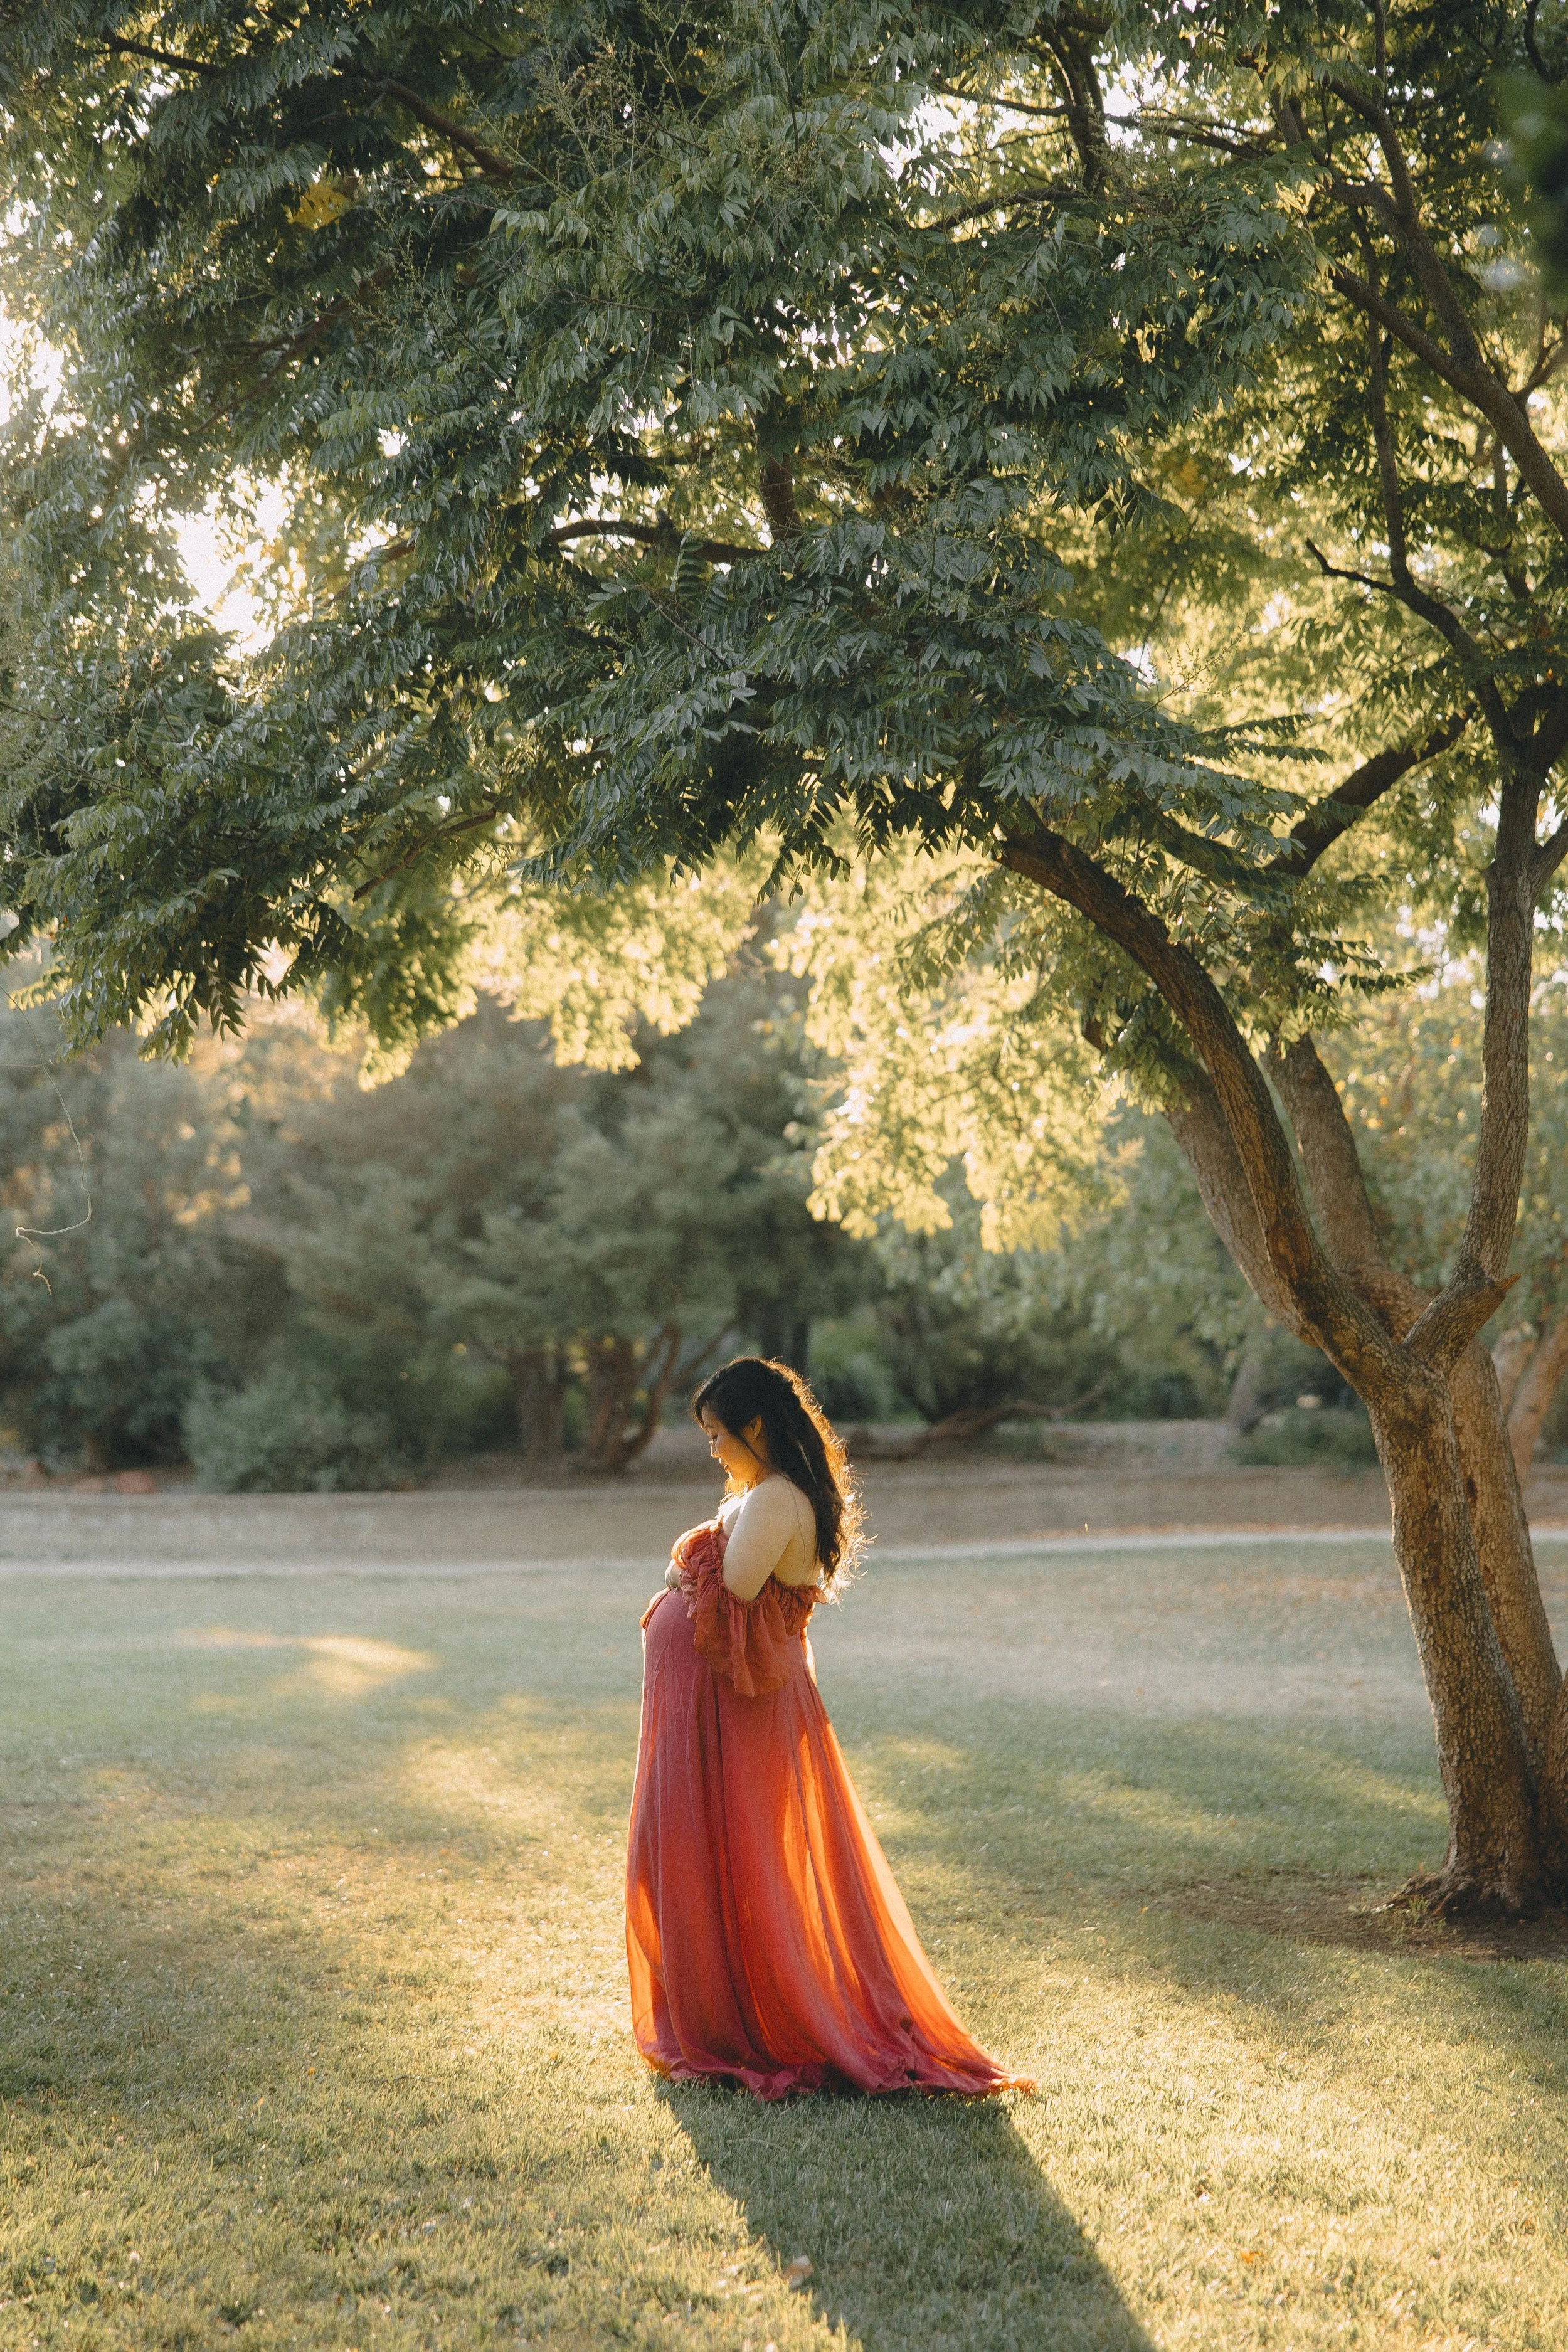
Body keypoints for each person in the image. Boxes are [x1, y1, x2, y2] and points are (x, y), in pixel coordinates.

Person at [625, 1355, 1029, 2100]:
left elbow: (737, 1586)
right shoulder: (766, 1492)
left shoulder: (777, 1497)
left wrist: (681, 1571)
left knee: (729, 1849)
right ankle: (717, 2006)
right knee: (699, 1848)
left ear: (754, 1426)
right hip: (712, 1698)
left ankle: (748, 2018)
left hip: (731, 1704)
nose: (712, 1449)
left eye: (718, 1434)